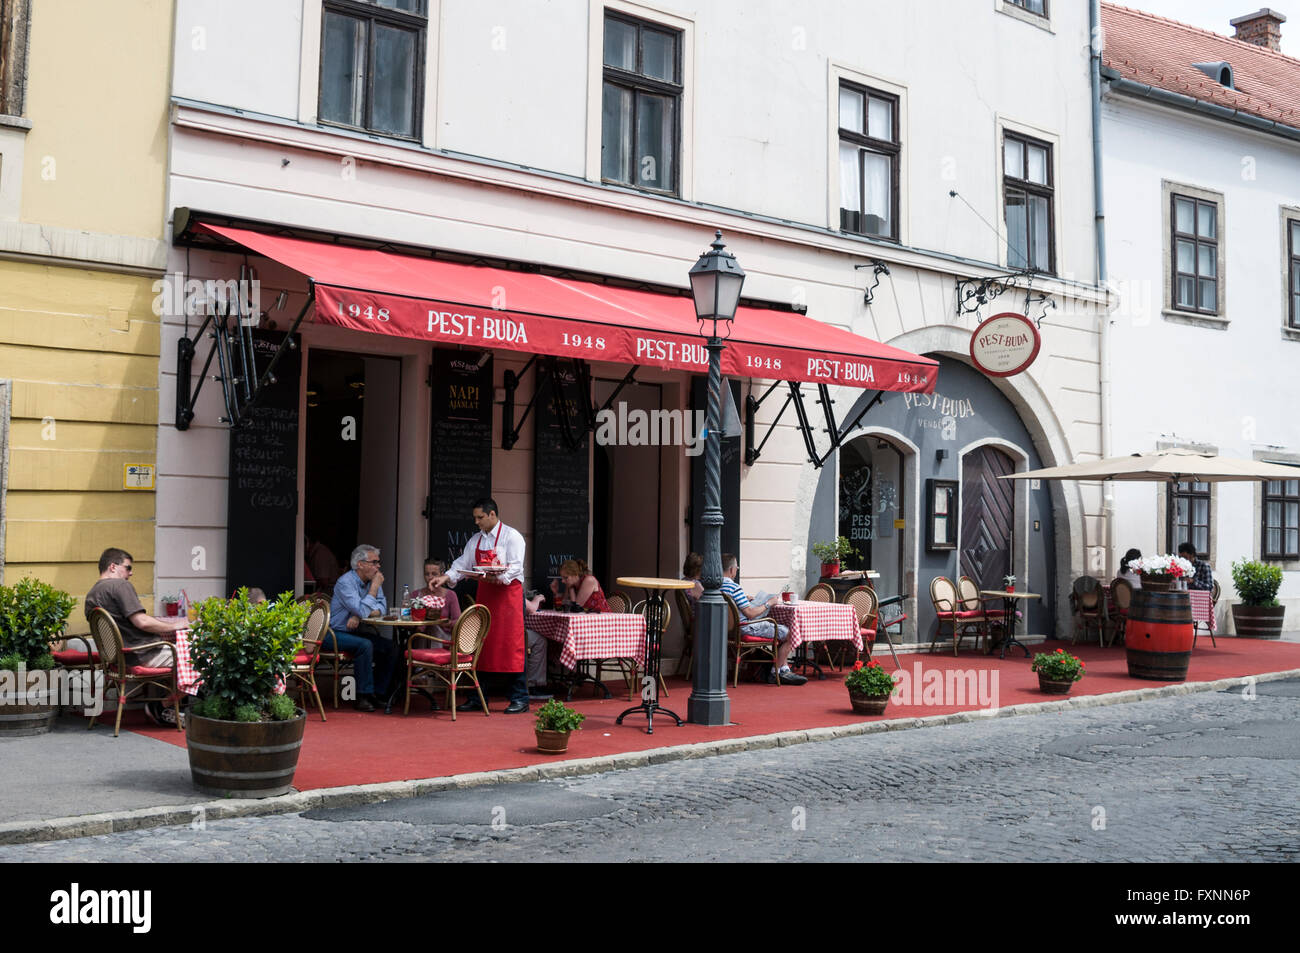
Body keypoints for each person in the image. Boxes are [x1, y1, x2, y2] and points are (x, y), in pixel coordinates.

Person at [430, 498, 529, 714]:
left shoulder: (512, 537)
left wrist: (498, 577)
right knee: (479, 645)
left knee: (511, 646)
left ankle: (519, 698)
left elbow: (515, 567)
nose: (476, 522)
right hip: (486, 595)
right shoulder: (476, 540)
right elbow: (461, 564)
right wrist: (444, 578)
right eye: (475, 517)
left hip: (508, 597)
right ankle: (477, 696)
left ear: (492, 514)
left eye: (480, 517)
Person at [84, 548, 189, 726]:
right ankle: (163, 706)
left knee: (182, 652)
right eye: (128, 567)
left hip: (118, 659)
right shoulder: (120, 586)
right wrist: (175, 626)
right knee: (202, 657)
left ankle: (174, 707)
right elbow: (142, 622)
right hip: (142, 655)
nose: (131, 573)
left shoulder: (91, 595)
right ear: (112, 566)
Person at [719, 553, 807, 685]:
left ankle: (784, 669)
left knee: (779, 628)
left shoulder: (717, 586)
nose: (737, 570)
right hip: (745, 627)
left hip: (729, 629)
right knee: (790, 634)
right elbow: (750, 614)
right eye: (737, 567)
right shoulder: (734, 587)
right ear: (732, 569)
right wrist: (768, 603)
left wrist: (747, 600)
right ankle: (775, 672)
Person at [329, 544, 398, 712]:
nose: (378, 566)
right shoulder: (346, 582)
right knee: (365, 645)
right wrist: (371, 593)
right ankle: (362, 696)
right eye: (374, 562)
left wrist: (358, 614)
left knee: (391, 647)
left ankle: (379, 693)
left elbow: (382, 607)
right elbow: (362, 609)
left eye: (378, 562)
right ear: (360, 564)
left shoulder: (373, 579)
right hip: (333, 633)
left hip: (355, 631)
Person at [411, 558, 461, 625]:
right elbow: (408, 620)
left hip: (443, 634)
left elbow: (458, 621)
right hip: (420, 634)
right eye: (427, 574)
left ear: (442, 575)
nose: (430, 577)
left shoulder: (450, 595)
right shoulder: (416, 594)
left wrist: (444, 622)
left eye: (434, 574)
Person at [523, 593, 554, 700]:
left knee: (537, 637)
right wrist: (537, 599)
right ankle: (534, 684)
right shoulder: (511, 584)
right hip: (509, 636)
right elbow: (531, 609)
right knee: (540, 640)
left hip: (486, 633)